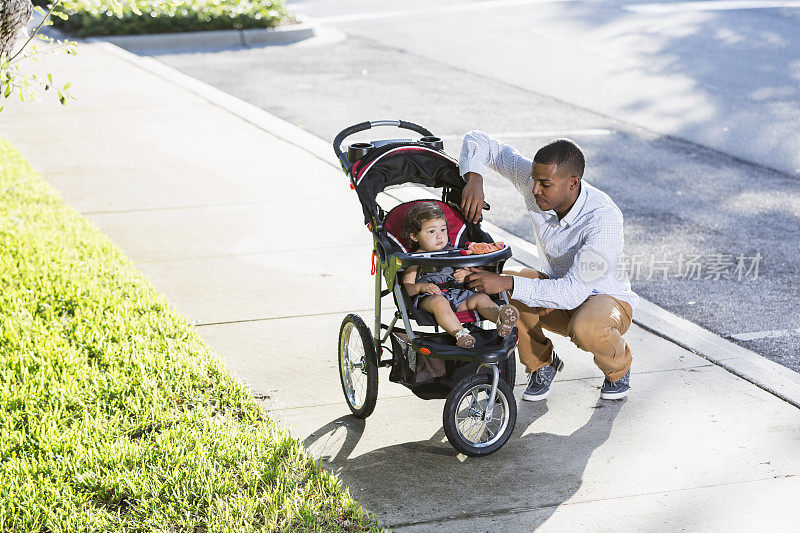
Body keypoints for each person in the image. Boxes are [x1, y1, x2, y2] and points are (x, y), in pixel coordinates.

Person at [458, 132, 639, 400]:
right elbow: (479, 140)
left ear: (573, 183)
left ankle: (619, 367)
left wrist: (509, 282)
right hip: (558, 289)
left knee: (584, 325)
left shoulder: (603, 220)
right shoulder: (538, 179)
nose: (534, 190)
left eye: (544, 184)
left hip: (605, 299)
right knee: (505, 291)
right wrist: (474, 178)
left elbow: (574, 292)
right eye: (534, 180)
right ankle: (542, 364)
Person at [400, 201, 520, 348]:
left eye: (443, 230)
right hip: (431, 300)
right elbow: (406, 289)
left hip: (458, 296)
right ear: (414, 236)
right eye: (432, 231)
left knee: (480, 298)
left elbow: (471, 272)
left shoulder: (453, 253)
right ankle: (461, 334)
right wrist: (421, 287)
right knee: (440, 302)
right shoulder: (414, 260)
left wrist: (466, 275)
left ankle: (501, 320)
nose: (439, 236)